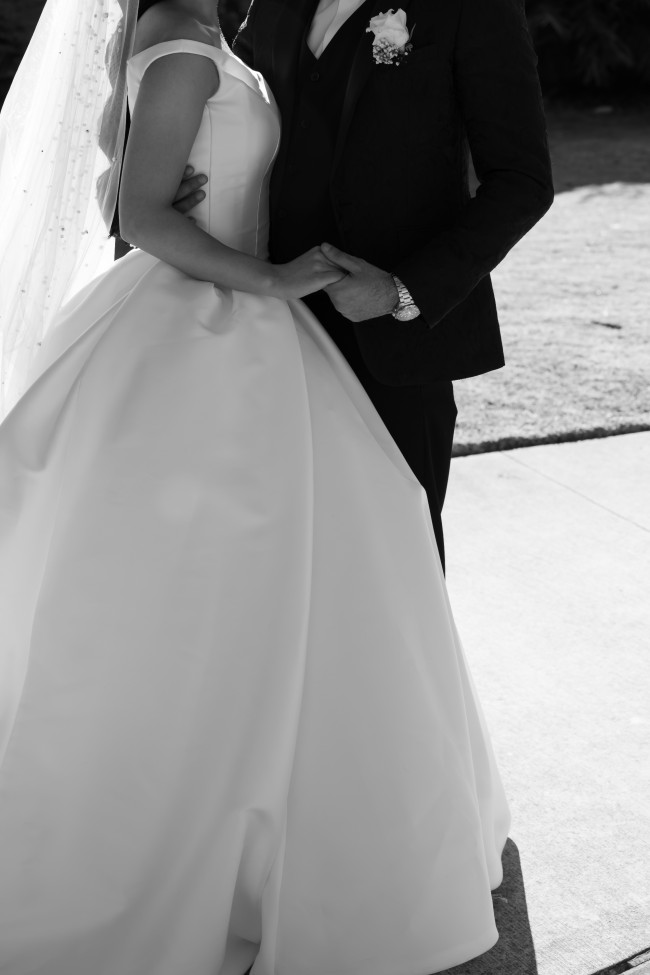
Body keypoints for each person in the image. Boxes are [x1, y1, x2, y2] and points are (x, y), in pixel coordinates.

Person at [0, 1, 510, 973]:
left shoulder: (206, 33)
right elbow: (137, 212)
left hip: (253, 316)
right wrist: (260, 276)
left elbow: (130, 173)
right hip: (207, 321)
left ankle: (290, 807)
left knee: (316, 559)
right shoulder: (187, 46)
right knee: (223, 575)